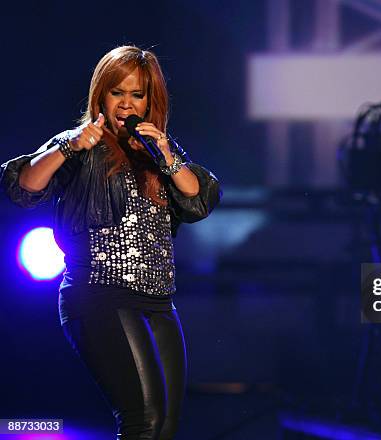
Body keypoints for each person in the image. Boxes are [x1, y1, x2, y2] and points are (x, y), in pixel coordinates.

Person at [0, 46, 221, 440]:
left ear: (150, 100)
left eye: (137, 95)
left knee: (166, 428)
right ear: (101, 95)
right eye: (117, 93)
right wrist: (70, 145)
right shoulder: (80, 144)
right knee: (144, 421)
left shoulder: (159, 151)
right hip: (99, 295)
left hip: (158, 301)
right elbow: (22, 185)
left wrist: (166, 155)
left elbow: (199, 199)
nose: (126, 104)